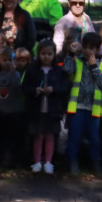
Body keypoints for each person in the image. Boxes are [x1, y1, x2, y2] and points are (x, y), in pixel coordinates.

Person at [64, 32, 102, 175]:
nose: (89, 51)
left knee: (94, 138)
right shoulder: (77, 61)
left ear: (98, 49)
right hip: (77, 106)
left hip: (94, 108)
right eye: (86, 47)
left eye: (92, 48)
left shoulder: (101, 65)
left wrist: (94, 66)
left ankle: (95, 162)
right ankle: (72, 162)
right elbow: (67, 69)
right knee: (74, 136)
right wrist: (71, 53)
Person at [24, 39, 70, 174]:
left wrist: (54, 89)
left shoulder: (59, 71)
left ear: (54, 54)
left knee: (50, 136)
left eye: (49, 54)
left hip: (53, 109)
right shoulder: (32, 70)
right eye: (43, 54)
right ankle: (37, 161)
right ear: (38, 54)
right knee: (38, 136)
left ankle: (49, 162)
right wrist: (35, 90)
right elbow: (25, 86)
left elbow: (65, 87)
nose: (46, 57)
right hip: (36, 109)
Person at [0, 47, 27, 167]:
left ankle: (15, 159)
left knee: (15, 137)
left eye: (10, 60)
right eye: (5, 60)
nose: (7, 62)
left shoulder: (17, 74)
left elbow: (18, 86)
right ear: (0, 61)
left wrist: (14, 72)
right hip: (1, 110)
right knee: (2, 137)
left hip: (15, 110)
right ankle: (2, 159)